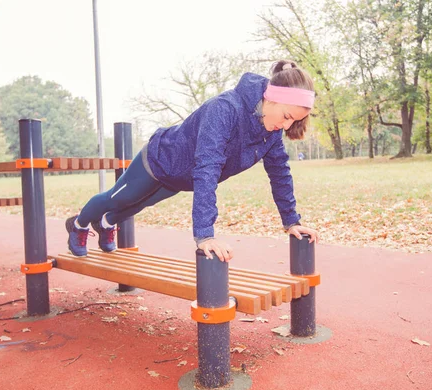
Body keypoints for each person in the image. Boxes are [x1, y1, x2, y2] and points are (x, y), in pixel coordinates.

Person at [66, 60, 320, 262]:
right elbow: (208, 166)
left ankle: (106, 222)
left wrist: (291, 222)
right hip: (159, 160)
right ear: (272, 98)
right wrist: (205, 235)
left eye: (293, 122)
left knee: (138, 205)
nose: (286, 126)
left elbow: (280, 174)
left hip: (180, 177)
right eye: (287, 116)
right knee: (119, 198)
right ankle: (77, 225)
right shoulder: (224, 109)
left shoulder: (271, 133)